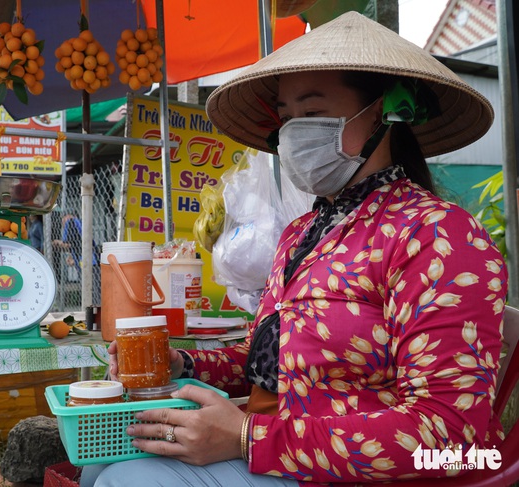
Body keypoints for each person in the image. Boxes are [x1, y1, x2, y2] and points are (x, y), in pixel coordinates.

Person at [83, 11, 508, 486]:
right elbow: (271, 361)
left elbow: (452, 438)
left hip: (359, 475)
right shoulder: (302, 232)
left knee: (129, 479)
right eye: (286, 118)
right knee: (102, 459)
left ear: (390, 112)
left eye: (313, 113)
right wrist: (182, 363)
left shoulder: (438, 235)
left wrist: (248, 438)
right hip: (282, 451)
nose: (292, 134)